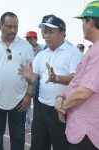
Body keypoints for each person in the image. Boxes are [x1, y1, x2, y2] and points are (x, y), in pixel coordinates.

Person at [18, 14, 81, 150]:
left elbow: (76, 79)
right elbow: (34, 79)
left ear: (62, 33)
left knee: (61, 146)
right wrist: (29, 76)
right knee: (38, 146)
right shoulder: (41, 55)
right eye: (45, 32)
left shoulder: (72, 52)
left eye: (51, 32)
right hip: (41, 109)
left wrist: (56, 78)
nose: (46, 35)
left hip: (61, 110)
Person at [0, 12, 34, 150]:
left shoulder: (26, 47)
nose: (13, 30)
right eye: (9, 26)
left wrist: (28, 96)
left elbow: (32, 75)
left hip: (19, 102)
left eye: (15, 27)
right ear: (0, 26)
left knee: (18, 139)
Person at [55, 1, 99, 150]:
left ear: (90, 22)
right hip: (81, 129)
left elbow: (84, 92)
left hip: (87, 132)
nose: (82, 26)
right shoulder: (94, 49)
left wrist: (63, 107)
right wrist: (61, 97)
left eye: (83, 21)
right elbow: (78, 81)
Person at [24, 31, 42, 133]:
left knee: (36, 106)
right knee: (26, 105)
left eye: (30, 38)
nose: (28, 41)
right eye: (27, 39)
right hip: (27, 81)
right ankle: (27, 125)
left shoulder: (40, 51)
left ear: (36, 39)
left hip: (37, 82)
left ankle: (34, 126)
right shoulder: (26, 50)